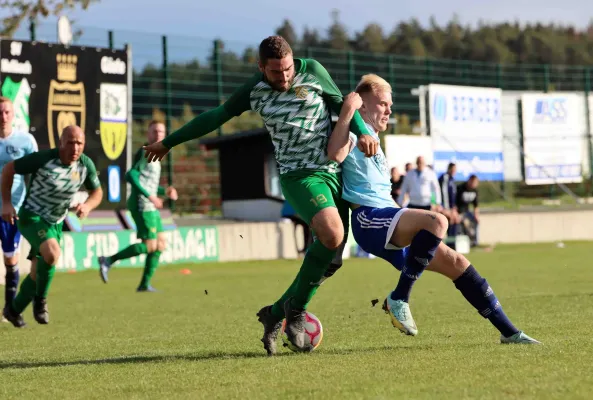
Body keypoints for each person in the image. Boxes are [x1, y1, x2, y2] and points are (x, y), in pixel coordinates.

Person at [141, 35, 378, 354]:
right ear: (261, 67)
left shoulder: (314, 71)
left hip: (334, 173)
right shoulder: (254, 90)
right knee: (332, 235)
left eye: (288, 69)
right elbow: (214, 117)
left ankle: (276, 313)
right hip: (300, 176)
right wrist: (169, 142)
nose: (284, 77)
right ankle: (295, 312)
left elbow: (341, 104)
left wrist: (363, 132)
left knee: (332, 259)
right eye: (276, 72)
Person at [327, 74, 539, 344]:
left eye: (390, 104)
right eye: (382, 104)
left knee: (459, 263)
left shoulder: (376, 143)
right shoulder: (354, 135)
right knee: (437, 222)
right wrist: (347, 111)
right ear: (363, 106)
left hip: (389, 218)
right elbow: (335, 153)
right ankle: (399, 298)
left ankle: (510, 333)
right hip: (369, 220)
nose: (389, 110)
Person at [2, 125, 103, 327]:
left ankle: (13, 310)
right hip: (32, 217)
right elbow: (9, 169)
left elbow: (97, 192)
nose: (75, 148)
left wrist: (87, 205)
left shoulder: (85, 165)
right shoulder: (43, 159)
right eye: (71, 142)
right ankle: (41, 302)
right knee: (53, 254)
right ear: (61, 143)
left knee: (37, 272)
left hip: (55, 222)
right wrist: (6, 203)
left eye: (80, 143)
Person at [98, 120, 178, 291]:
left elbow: (148, 183)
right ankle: (108, 260)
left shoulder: (156, 155)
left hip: (150, 205)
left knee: (160, 243)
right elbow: (131, 175)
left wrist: (165, 191)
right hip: (142, 204)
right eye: (154, 131)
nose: (158, 135)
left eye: (161, 132)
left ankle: (144, 284)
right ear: (148, 134)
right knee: (150, 245)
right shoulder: (146, 152)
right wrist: (151, 196)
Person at [0, 97, 37, 314]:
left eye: (6, 112)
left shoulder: (25, 141)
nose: (3, 117)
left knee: (10, 259)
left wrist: (29, 204)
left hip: (12, 210)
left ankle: (9, 308)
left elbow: (33, 175)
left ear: (13, 115)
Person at [456, 174, 480, 247]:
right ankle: (463, 242)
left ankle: (474, 241)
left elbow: (476, 205)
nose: (474, 184)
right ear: (469, 181)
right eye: (473, 182)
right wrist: (457, 214)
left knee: (475, 221)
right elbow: (455, 203)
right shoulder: (460, 188)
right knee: (463, 224)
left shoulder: (475, 191)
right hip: (458, 211)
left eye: (476, 183)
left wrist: (476, 216)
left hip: (467, 212)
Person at [439, 162, 460, 237]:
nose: (454, 171)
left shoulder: (452, 179)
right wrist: (447, 209)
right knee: (451, 219)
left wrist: (454, 207)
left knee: (456, 219)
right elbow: (444, 193)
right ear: (449, 169)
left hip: (451, 207)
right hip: (445, 207)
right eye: (453, 169)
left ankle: (452, 242)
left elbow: (452, 195)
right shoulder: (445, 177)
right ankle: (449, 243)